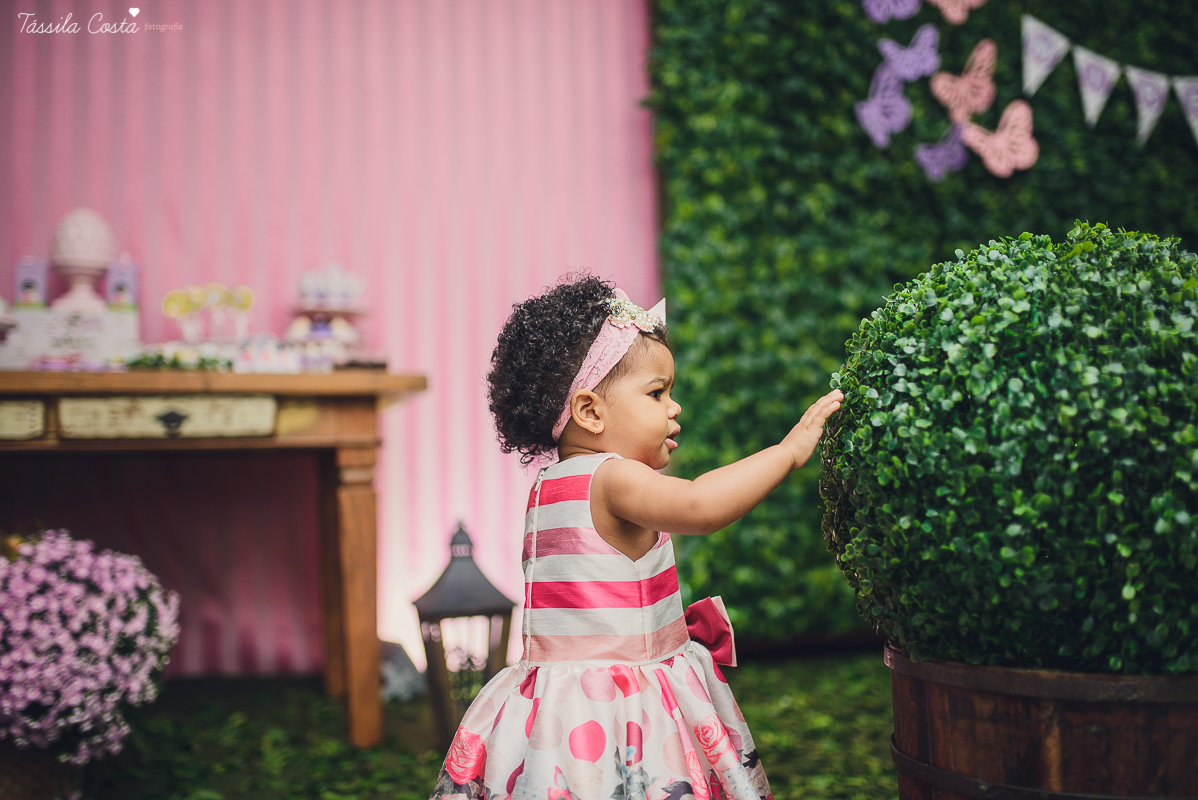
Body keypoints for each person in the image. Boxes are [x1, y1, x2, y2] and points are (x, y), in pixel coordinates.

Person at [430, 276, 843, 800]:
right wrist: (787, 451)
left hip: (560, 710)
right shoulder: (612, 478)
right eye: (657, 392)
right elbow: (699, 504)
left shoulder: (549, 485)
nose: (675, 408)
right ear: (590, 412)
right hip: (625, 708)